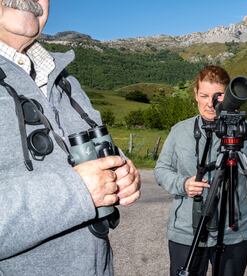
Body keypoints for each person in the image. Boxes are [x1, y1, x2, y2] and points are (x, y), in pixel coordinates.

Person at [0, 1, 141, 275]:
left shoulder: (67, 81)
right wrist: (77, 192)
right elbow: (79, 184)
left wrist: (122, 170)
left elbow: (88, 147)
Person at [155, 65, 247, 275]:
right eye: (204, 95)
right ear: (195, 95)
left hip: (233, 232)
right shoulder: (180, 131)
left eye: (218, 96)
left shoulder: (241, 129)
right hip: (187, 231)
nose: (210, 103)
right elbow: (161, 169)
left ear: (229, 96)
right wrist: (183, 184)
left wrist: (240, 132)